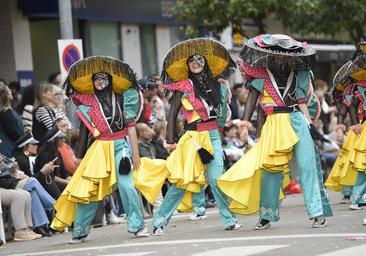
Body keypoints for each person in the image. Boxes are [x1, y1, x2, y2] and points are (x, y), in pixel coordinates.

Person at [217, 34, 328, 229]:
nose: (279, 57)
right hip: (274, 122)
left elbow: (301, 101)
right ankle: (267, 215)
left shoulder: (300, 71)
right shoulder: (261, 72)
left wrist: (310, 125)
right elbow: (252, 98)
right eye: (275, 54)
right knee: (270, 170)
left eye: (284, 54)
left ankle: (317, 212)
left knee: (307, 166)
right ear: (268, 54)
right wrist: (244, 124)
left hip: (296, 120)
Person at [135, 38, 241, 235]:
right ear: (187, 65)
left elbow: (221, 116)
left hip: (213, 137)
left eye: (199, 60)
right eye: (191, 61)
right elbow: (173, 114)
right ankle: (159, 221)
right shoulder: (182, 88)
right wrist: (169, 140)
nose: (195, 63)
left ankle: (229, 219)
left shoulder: (219, 86)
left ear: (205, 63)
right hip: (192, 138)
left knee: (217, 180)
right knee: (181, 182)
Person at [50, 56, 149, 243]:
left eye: (104, 78)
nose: (100, 82)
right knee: (90, 190)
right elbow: (84, 131)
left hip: (121, 147)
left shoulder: (122, 98)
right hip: (99, 149)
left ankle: (138, 226)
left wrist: (135, 153)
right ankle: (80, 231)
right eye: (96, 79)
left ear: (110, 80)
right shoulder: (88, 101)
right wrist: (79, 157)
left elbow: (131, 126)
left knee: (127, 187)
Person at [325, 42, 366, 209]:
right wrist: (345, 126)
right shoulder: (357, 87)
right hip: (361, 130)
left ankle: (356, 196)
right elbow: (347, 108)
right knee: (356, 162)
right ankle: (352, 194)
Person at [0, 153, 55, 237]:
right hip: (5, 185)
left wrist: (14, 171)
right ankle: (55, 206)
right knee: (31, 183)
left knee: (29, 193)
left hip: (9, 183)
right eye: (33, 144)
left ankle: (31, 227)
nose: (36, 146)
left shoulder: (3, 156)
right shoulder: (21, 158)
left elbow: (12, 172)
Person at [0, 84, 24, 158]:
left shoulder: (7, 110)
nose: (11, 91)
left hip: (13, 146)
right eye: (9, 90)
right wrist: (23, 139)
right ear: (6, 95)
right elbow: (12, 131)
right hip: (10, 149)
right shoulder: (5, 112)